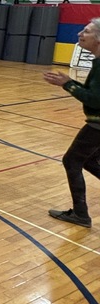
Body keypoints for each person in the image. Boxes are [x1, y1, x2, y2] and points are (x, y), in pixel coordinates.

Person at [43, 18, 100, 228]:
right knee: (89, 161)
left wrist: (68, 84)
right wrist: (68, 83)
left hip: (97, 126)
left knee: (72, 161)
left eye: (86, 31)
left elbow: (95, 99)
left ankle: (81, 214)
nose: (79, 34)